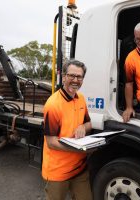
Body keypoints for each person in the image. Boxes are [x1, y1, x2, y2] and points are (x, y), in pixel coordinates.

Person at [42, 59, 92, 200]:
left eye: (79, 77)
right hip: (58, 172)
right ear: (64, 77)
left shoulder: (81, 98)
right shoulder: (53, 105)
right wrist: (80, 149)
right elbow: (51, 142)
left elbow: (89, 124)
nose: (75, 80)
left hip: (80, 169)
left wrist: (82, 126)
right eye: (72, 76)